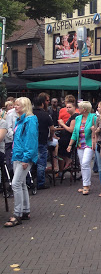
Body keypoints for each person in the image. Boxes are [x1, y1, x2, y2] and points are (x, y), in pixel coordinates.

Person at [4, 98, 38, 227]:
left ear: (24, 106)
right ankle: (24, 211)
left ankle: (18, 213)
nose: (15, 107)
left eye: (18, 105)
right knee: (21, 183)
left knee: (16, 184)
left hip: (22, 156)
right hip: (18, 154)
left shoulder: (28, 121)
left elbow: (31, 141)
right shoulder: (23, 120)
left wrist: (26, 158)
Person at [67, 101, 96, 196]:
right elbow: (75, 132)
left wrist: (94, 130)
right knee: (83, 165)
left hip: (89, 143)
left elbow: (97, 130)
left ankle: (86, 186)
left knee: (85, 163)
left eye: (79, 107)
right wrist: (70, 144)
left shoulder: (93, 118)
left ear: (84, 109)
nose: (78, 109)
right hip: (80, 144)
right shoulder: (78, 118)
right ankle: (85, 184)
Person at [33, 93, 55, 190]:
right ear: (42, 104)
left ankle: (30, 181)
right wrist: (51, 136)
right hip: (42, 140)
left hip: (31, 141)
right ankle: (40, 183)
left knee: (31, 161)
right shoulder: (46, 115)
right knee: (41, 162)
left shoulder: (30, 114)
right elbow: (52, 128)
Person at [57, 101, 79, 172]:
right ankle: (61, 168)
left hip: (68, 139)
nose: (68, 109)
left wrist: (62, 124)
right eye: (67, 107)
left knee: (56, 149)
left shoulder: (74, 117)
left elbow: (71, 130)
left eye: (70, 107)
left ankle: (66, 162)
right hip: (65, 138)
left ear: (74, 108)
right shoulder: (71, 116)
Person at [4, 97, 17, 176]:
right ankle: (11, 173)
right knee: (10, 157)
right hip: (10, 140)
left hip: (18, 141)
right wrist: (14, 137)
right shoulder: (10, 114)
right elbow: (8, 128)